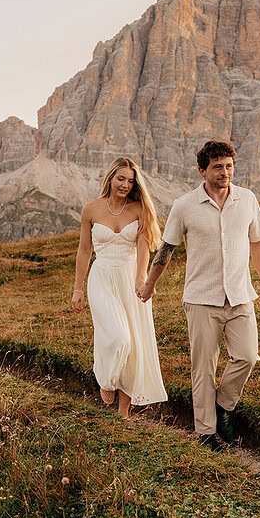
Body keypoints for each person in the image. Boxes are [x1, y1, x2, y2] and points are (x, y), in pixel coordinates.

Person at [137, 140, 260, 451]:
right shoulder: (184, 205)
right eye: (217, 167)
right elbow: (167, 250)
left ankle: (222, 406)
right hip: (201, 299)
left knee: (247, 356)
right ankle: (206, 433)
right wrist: (150, 284)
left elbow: (257, 243)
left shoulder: (247, 200)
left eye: (229, 166)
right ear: (202, 171)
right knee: (203, 368)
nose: (225, 172)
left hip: (240, 296)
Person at [72, 156, 168, 418]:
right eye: (121, 179)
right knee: (118, 337)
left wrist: (141, 278)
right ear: (110, 178)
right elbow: (84, 250)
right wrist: (78, 289)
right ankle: (107, 378)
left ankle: (123, 412)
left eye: (131, 181)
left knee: (134, 342)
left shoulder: (139, 209)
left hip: (129, 278)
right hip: (101, 277)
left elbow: (144, 247)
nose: (125, 185)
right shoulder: (91, 209)